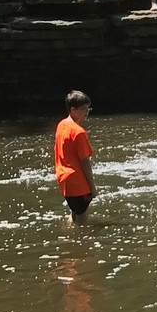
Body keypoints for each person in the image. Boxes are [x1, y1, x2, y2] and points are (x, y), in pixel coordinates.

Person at [54, 90, 97, 225]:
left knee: (75, 212)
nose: (87, 111)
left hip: (63, 178)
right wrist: (92, 186)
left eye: (88, 108)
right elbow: (85, 161)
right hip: (77, 181)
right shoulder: (79, 132)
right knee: (82, 219)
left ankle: (66, 233)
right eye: (83, 109)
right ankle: (76, 237)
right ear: (72, 110)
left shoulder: (62, 125)